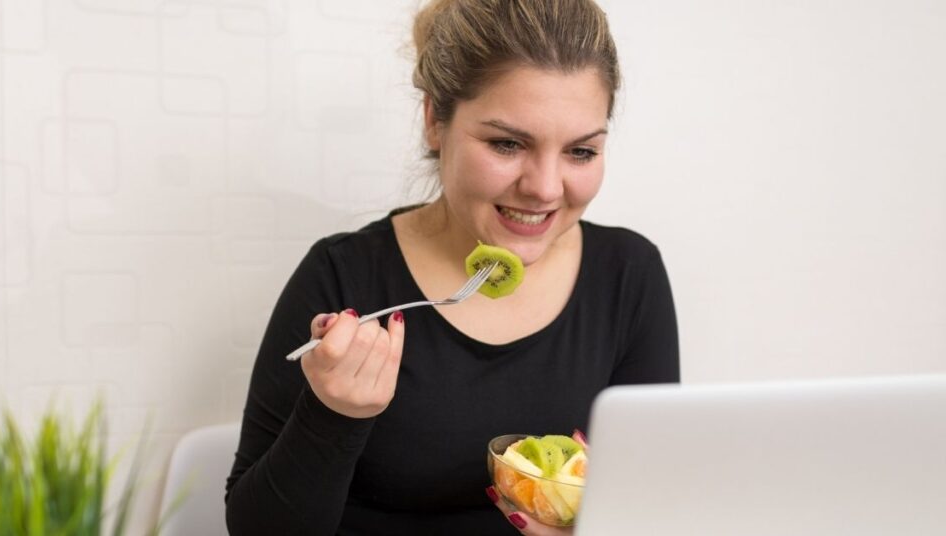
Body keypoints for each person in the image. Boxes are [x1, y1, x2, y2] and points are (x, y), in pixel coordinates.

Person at [224, 0, 679, 534]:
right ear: (434, 121)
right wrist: (332, 414)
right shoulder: (343, 274)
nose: (545, 188)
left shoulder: (629, 274)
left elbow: (657, 501)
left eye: (580, 152)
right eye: (507, 144)